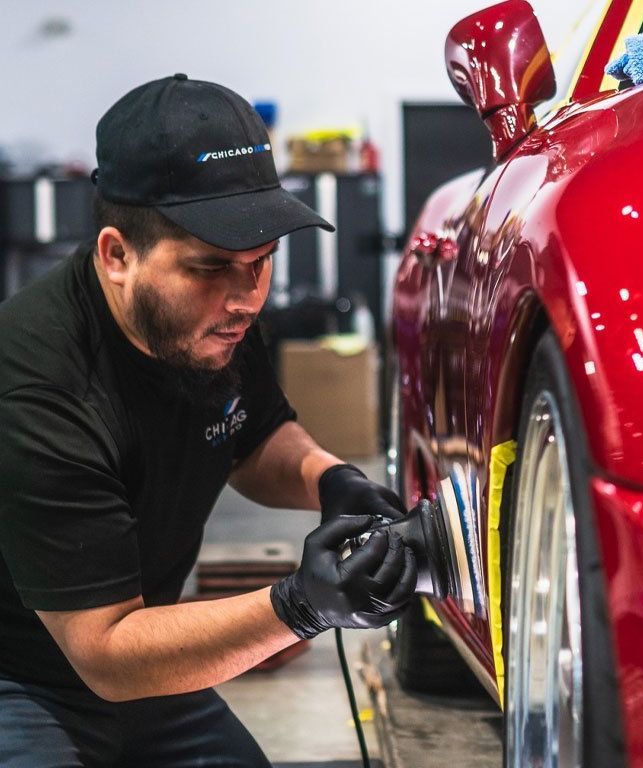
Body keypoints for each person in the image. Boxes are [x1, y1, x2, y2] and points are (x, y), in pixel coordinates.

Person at [0, 74, 416, 767]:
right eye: (212, 266)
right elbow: (105, 652)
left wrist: (331, 478)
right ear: (116, 255)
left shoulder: (209, 317)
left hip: (144, 655)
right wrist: (301, 606)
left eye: (262, 263)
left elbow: (251, 435)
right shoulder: (37, 391)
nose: (247, 297)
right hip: (33, 678)